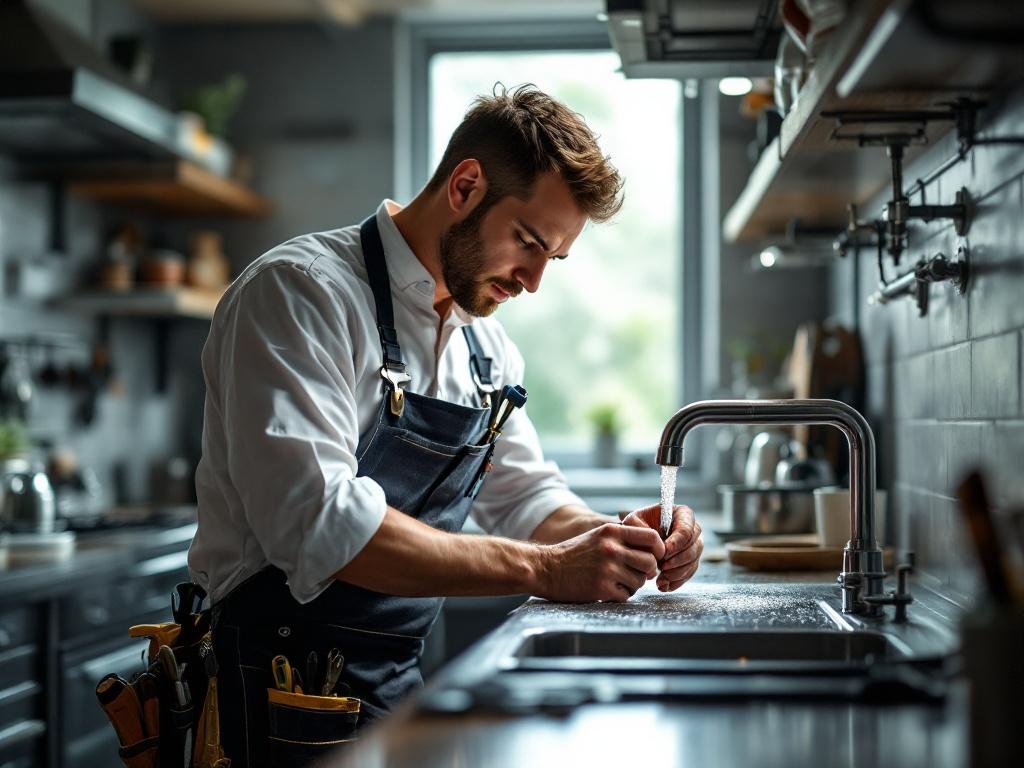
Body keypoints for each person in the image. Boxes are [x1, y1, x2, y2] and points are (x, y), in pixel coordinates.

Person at [189, 83, 703, 767]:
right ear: (464, 186)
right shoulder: (298, 293)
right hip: (271, 693)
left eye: (554, 257)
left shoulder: (485, 349)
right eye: (527, 241)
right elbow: (323, 527)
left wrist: (619, 540)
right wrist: (547, 569)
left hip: (395, 688)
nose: (534, 281)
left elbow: (525, 498)